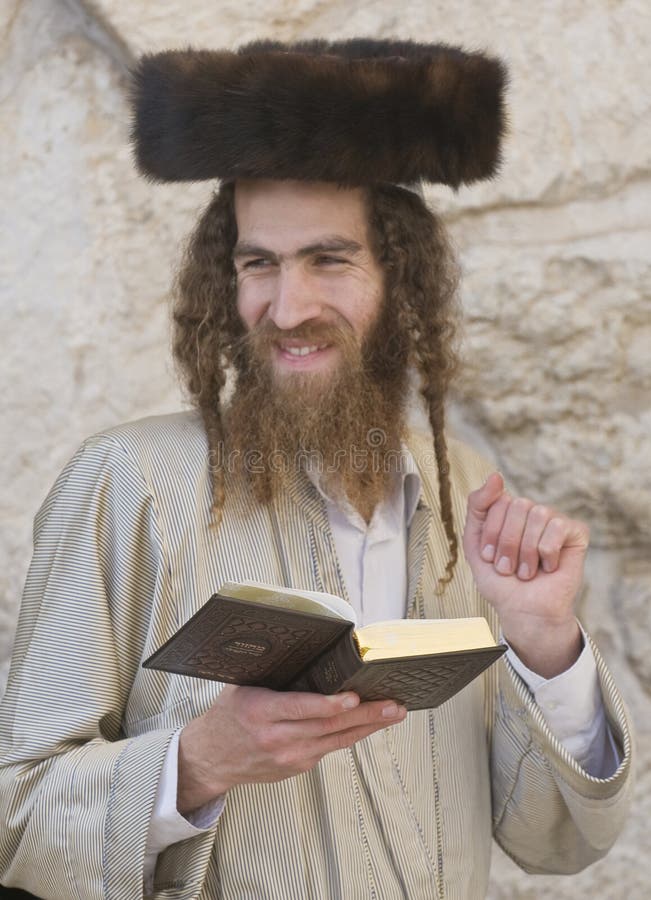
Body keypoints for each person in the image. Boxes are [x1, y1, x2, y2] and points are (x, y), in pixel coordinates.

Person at [0, 39, 633, 900]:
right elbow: (18, 821)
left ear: (400, 280)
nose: (287, 309)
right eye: (259, 263)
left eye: (328, 260)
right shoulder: (127, 482)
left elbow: (552, 841)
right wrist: (194, 764)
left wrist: (543, 644)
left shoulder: (464, 491)